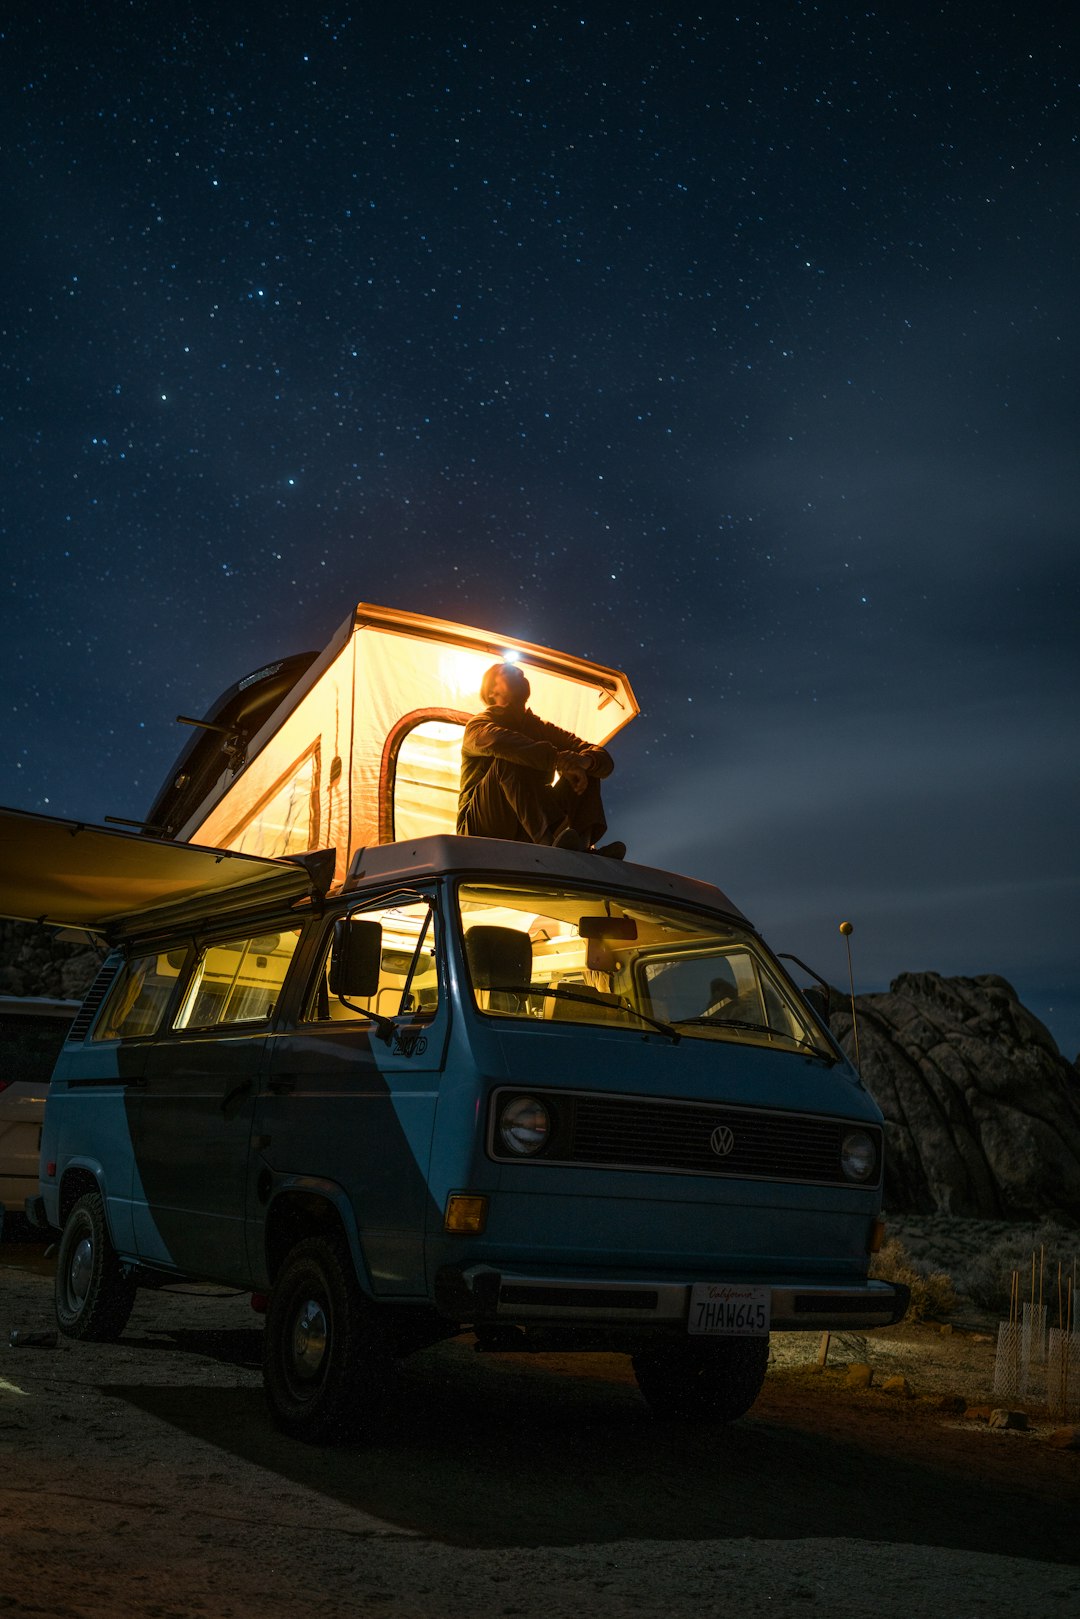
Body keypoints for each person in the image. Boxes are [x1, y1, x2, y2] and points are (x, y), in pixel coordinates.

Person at [457, 662, 625, 857]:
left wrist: (584, 762)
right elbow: (498, 740)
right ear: (491, 690)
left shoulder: (540, 729)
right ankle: (550, 843)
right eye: (509, 671)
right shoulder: (478, 725)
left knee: (587, 767)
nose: (520, 671)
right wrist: (557, 759)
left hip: (528, 824)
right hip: (481, 828)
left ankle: (582, 847)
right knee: (511, 756)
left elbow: (601, 757)